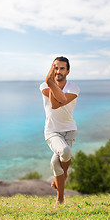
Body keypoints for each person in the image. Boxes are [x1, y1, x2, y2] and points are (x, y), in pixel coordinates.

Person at [40, 56, 80, 205]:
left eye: (62, 68)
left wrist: (51, 82)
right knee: (64, 151)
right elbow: (54, 103)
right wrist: (50, 82)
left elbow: (60, 102)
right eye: (55, 68)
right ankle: (65, 174)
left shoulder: (73, 88)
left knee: (55, 163)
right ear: (51, 68)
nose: (58, 71)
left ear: (68, 71)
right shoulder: (44, 86)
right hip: (52, 132)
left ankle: (60, 199)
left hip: (70, 130)